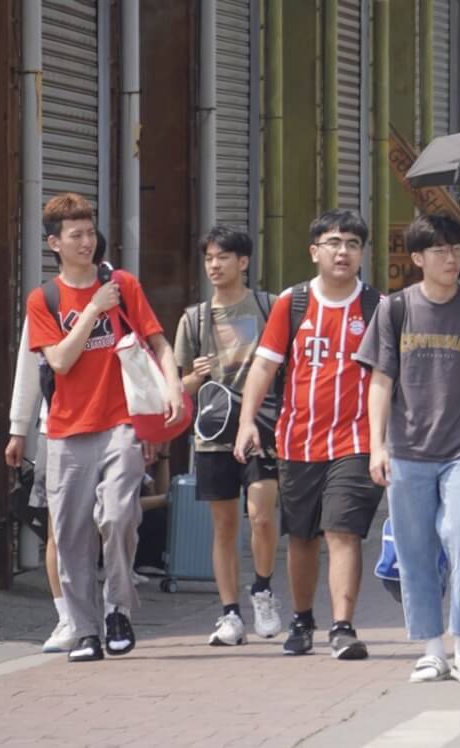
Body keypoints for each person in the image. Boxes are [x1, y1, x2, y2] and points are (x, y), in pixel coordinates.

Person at [27, 193, 184, 662]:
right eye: (75, 235)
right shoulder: (45, 299)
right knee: (72, 534)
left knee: (117, 517)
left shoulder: (124, 284)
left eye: (90, 232)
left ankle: (118, 608)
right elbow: (59, 359)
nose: (86, 242)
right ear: (55, 243)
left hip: (121, 422)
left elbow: (159, 342)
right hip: (66, 431)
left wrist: (173, 388)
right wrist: (94, 309)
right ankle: (86, 629)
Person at [358, 214, 460, 684]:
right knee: (415, 548)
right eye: (440, 250)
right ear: (418, 258)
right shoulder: (395, 309)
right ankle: (430, 648)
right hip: (406, 450)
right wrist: (375, 446)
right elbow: (380, 381)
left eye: (456, 249)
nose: (452, 258)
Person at [233, 210, 384, 659]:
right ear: (314, 250)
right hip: (298, 439)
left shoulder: (378, 307)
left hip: (356, 440)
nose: (343, 251)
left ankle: (343, 626)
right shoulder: (292, 302)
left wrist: (386, 440)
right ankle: (302, 620)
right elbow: (264, 364)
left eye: (353, 243)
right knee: (301, 536)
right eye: (334, 242)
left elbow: (390, 377)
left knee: (342, 530)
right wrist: (246, 422)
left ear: (362, 253)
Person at [174, 227, 282, 646]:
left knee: (261, 514)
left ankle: (263, 591)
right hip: (214, 432)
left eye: (223, 257)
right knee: (223, 526)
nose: (214, 266)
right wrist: (194, 377)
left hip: (262, 426)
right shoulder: (194, 318)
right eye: (209, 259)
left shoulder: (267, 307)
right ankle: (229, 614)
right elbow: (179, 386)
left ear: (244, 261)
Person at [5, 230, 108, 654]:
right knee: (58, 528)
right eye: (78, 244)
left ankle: (101, 609)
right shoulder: (47, 302)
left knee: (108, 521)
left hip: (111, 426)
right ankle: (67, 617)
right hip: (57, 428)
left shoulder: (116, 299)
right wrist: (18, 427)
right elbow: (31, 368)